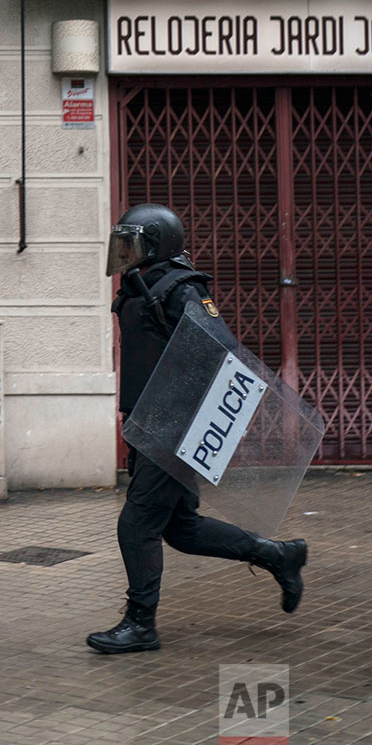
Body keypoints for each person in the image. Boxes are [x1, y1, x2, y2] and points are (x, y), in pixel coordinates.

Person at [88, 203, 308, 653]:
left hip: (175, 427)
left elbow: (221, 349)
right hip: (150, 424)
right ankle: (278, 555)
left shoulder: (180, 288)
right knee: (180, 528)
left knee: (137, 525)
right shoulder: (140, 286)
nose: (124, 252)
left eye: (132, 244)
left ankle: (141, 624)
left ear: (156, 245)